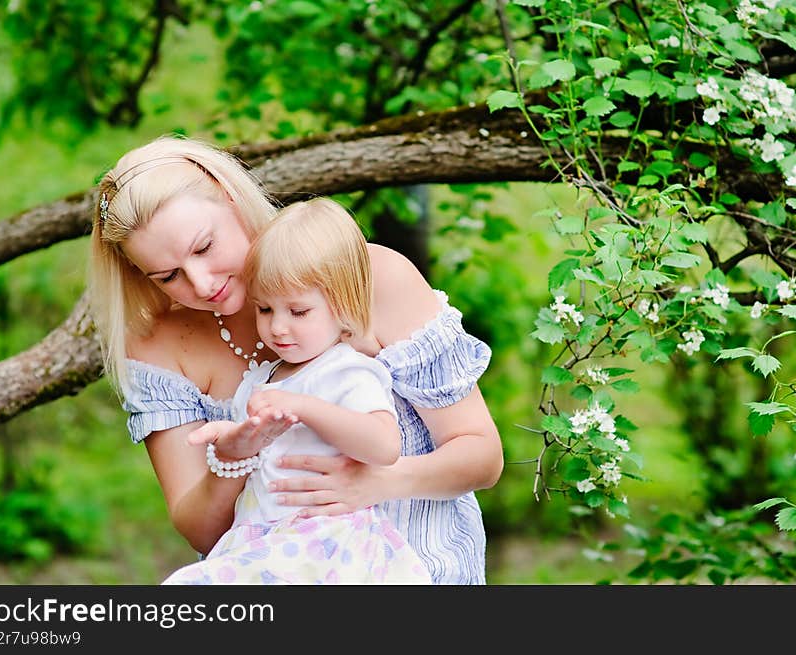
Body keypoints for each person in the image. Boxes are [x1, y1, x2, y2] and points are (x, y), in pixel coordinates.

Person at [88, 134, 502, 585]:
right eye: (169, 276)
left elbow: (481, 455)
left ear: (231, 199)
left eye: (204, 247)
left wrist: (376, 483)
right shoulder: (158, 348)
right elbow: (202, 533)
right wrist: (232, 461)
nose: (202, 284)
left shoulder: (370, 279)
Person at [161, 197, 431, 584]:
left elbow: (384, 445)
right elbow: (260, 452)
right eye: (265, 310)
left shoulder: (345, 370)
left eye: (298, 311)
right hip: (265, 536)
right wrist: (234, 439)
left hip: (324, 540)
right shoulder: (261, 381)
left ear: (343, 305)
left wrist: (305, 407)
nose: (278, 328)